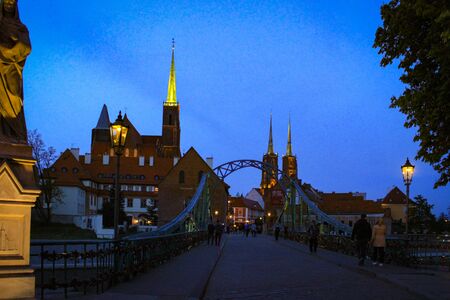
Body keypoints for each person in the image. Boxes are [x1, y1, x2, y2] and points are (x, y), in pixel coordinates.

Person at [0, 0, 31, 143]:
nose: (9, 4)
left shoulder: (21, 28)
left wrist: (8, 51)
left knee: (14, 100)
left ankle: (16, 136)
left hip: (12, 69)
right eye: (6, 2)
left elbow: (26, 47)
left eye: (11, 2)